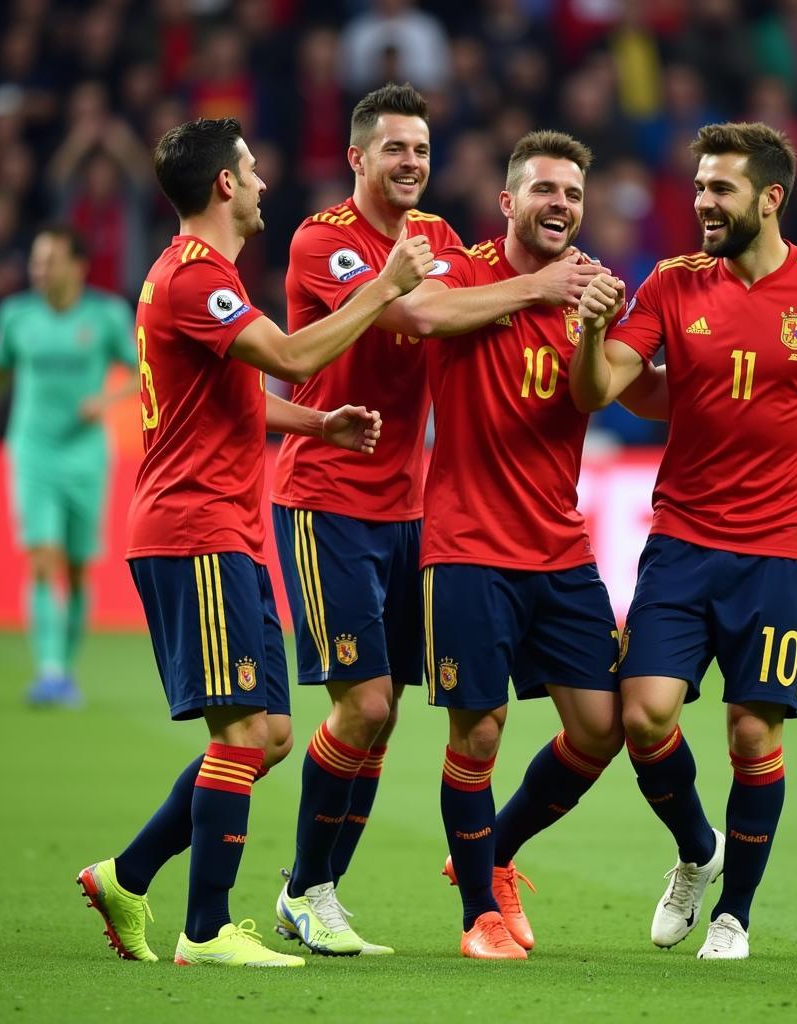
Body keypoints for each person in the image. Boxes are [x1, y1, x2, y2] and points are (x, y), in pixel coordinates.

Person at [76, 116, 431, 969]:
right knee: (238, 737)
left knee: (269, 732)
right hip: (194, 527)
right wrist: (382, 289)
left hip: (226, 528)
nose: (265, 180)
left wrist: (318, 422)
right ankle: (207, 931)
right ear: (225, 186)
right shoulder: (198, 278)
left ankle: (126, 876)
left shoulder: (203, 278)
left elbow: (237, 396)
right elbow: (291, 351)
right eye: (253, 168)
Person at [569, 121, 797, 960]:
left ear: (770, 198)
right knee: (645, 715)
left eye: (720, 189)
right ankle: (697, 852)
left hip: (781, 543)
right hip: (684, 537)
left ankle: (736, 914)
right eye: (698, 188)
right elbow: (601, 389)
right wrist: (588, 331)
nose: (702, 203)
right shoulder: (671, 283)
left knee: (752, 734)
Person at [270, 83, 604, 958]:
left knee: (382, 715)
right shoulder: (325, 239)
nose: (411, 162)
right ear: (358, 158)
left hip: (408, 506)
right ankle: (306, 886)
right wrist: (535, 285)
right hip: (327, 495)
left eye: (421, 148)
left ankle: (319, 892)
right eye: (394, 149)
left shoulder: (442, 241)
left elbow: (462, 304)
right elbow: (413, 312)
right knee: (366, 702)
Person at [396, 129, 666, 959]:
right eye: (546, 191)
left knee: (601, 728)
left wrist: (619, 334)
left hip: (558, 547)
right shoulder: (467, 267)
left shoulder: (591, 291)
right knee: (477, 735)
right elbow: (420, 313)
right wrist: (537, 288)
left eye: (574, 195)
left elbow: (633, 399)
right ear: (509, 202)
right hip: (468, 545)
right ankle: (479, 914)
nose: (562, 206)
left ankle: (494, 853)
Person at [0, 224, 138, 708]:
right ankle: (50, 671)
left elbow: (143, 371)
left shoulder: (106, 315)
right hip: (31, 451)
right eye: (35, 261)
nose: (38, 270)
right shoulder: (15, 316)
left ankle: (65, 667)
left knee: (75, 570)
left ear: (77, 266)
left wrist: (105, 400)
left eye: (48, 260)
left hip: (84, 456)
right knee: (41, 559)